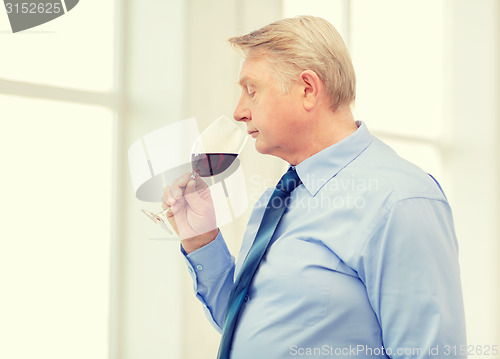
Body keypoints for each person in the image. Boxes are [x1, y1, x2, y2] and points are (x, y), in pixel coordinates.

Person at [163, 16, 466, 359]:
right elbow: (246, 328)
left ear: (307, 89)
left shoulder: (399, 200)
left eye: (251, 91)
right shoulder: (277, 199)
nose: (239, 112)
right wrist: (201, 239)